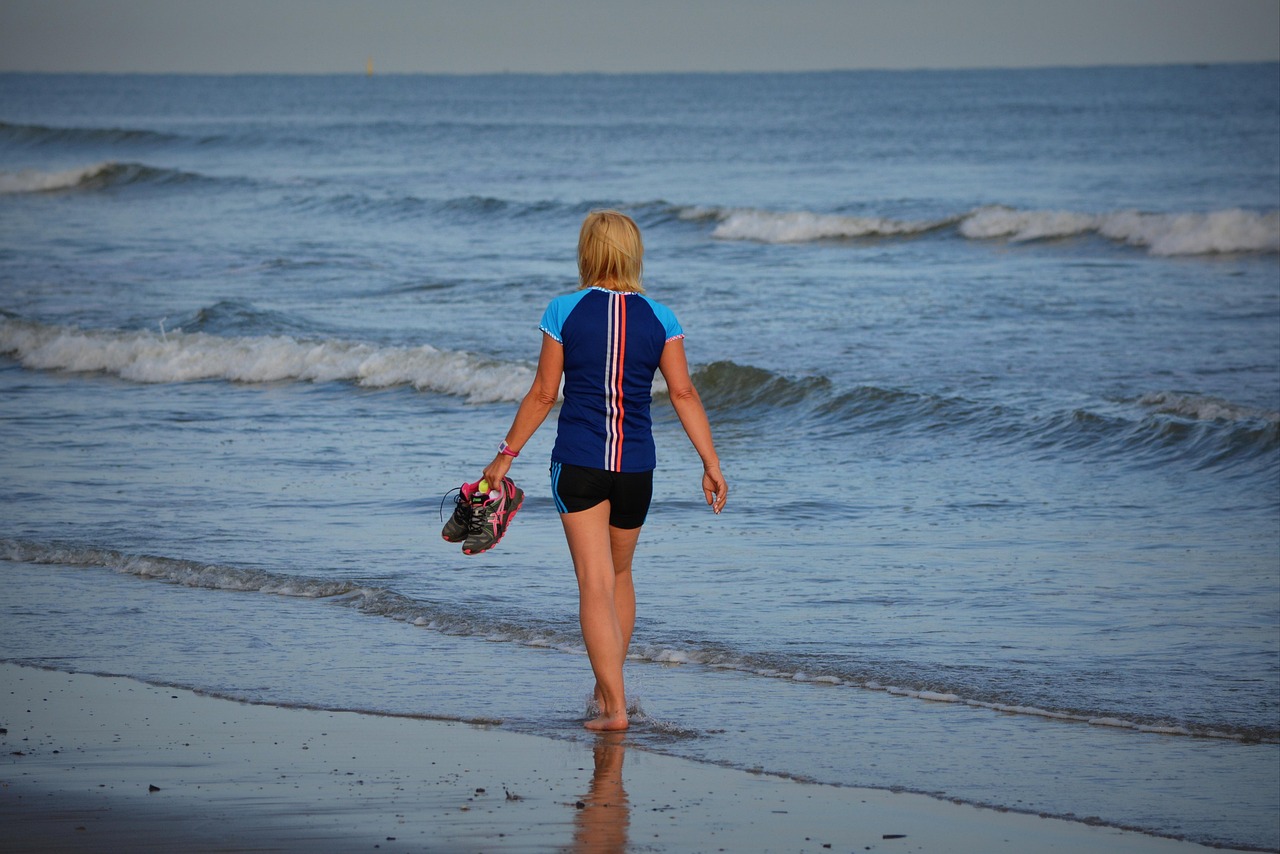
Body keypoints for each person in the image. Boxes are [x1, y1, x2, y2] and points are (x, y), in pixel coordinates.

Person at [481, 209, 727, 732]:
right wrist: (711, 463)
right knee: (619, 576)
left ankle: (614, 710)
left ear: (588, 252)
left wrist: (505, 455)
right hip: (636, 468)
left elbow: (545, 392)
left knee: (593, 582)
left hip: (579, 464)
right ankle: (606, 690)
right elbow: (683, 392)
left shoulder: (564, 310)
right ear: (633, 253)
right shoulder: (662, 317)